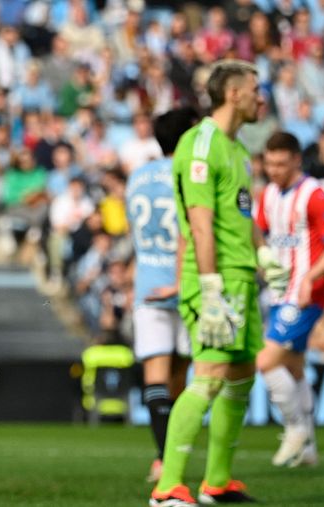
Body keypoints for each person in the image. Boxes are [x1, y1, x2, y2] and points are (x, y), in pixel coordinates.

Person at [151, 60, 284, 506]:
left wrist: (264, 253)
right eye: (254, 89)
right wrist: (209, 288)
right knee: (208, 376)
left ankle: (216, 482)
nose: (260, 98)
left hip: (242, 278)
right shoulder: (201, 144)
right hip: (216, 279)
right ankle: (167, 487)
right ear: (232, 93)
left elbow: (244, 217)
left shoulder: (239, 149)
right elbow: (200, 225)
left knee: (243, 374)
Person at [255, 132, 324, 468]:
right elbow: (259, 234)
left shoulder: (317, 196)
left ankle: (294, 429)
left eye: (281, 163)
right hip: (279, 293)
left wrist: (310, 277)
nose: (274, 170)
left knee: (266, 361)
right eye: (269, 163)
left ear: (296, 159)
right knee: (293, 367)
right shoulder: (268, 194)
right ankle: (309, 447)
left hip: (306, 294)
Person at [125, 108, 198, 483]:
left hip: (147, 282)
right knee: (182, 374)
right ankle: (172, 456)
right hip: (186, 281)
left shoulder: (137, 177)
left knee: (155, 374)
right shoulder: (191, 173)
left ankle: (161, 457)